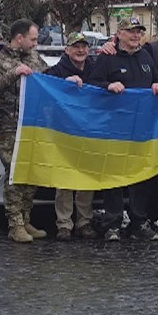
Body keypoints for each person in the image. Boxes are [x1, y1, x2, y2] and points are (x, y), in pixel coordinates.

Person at [88, 16, 158, 240]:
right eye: (131, 31)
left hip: (141, 130)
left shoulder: (145, 56)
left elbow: (156, 80)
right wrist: (107, 85)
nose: (135, 35)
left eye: (139, 32)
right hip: (115, 129)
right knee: (115, 176)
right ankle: (112, 221)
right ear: (119, 34)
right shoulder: (107, 58)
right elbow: (92, 85)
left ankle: (138, 222)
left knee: (139, 177)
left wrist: (157, 85)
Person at [0, 19, 51, 244]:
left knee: (30, 175)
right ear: (19, 38)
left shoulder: (35, 58)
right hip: (10, 127)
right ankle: (15, 225)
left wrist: (68, 81)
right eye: (32, 39)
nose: (35, 44)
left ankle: (26, 218)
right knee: (15, 176)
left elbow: (50, 80)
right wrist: (14, 73)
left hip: (33, 125)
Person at [46, 32, 98, 240]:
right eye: (76, 46)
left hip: (89, 132)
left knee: (86, 180)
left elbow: (104, 85)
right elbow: (45, 90)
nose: (80, 50)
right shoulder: (56, 71)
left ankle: (84, 222)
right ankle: (64, 224)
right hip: (64, 133)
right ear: (67, 50)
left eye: (84, 46)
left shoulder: (94, 69)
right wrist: (63, 84)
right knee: (65, 181)